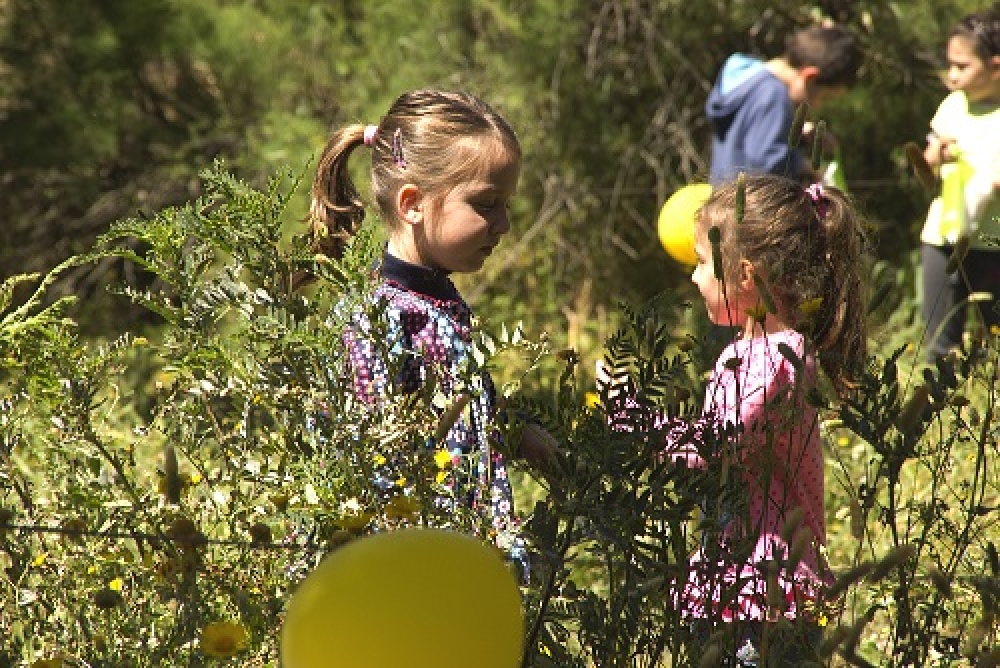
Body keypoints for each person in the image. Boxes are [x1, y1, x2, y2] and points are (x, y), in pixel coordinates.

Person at [305, 89, 557, 574]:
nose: (503, 224)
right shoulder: (377, 318)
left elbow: (459, 401)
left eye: (506, 205)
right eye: (485, 204)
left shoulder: (434, 299)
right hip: (405, 570)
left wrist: (527, 438)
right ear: (413, 204)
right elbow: (372, 458)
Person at [670, 175, 870, 665]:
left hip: (764, 588)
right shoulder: (752, 350)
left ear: (743, 274)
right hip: (746, 576)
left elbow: (713, 448)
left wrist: (633, 419)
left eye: (701, 263)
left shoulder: (776, 360)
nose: (694, 277)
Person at [919, 4, 1000, 362]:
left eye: (962, 66)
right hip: (942, 236)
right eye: (949, 64)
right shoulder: (953, 106)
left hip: (992, 242)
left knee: (993, 339)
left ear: (996, 66)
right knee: (939, 339)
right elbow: (927, 166)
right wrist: (934, 158)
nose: (951, 75)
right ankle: (939, 408)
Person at [706, 24, 861, 185]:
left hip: (721, 204)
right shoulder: (774, 95)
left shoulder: (748, 81)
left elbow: (747, 140)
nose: (818, 106)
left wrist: (796, 136)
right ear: (809, 77)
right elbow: (767, 163)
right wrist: (805, 167)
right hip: (748, 207)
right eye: (825, 97)